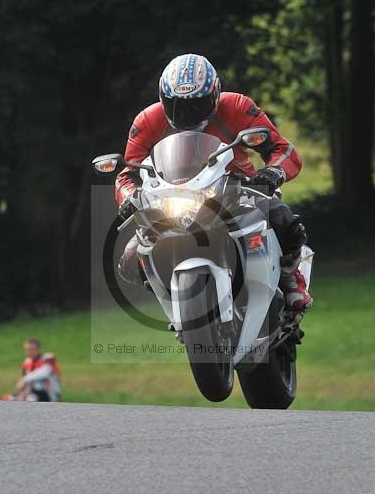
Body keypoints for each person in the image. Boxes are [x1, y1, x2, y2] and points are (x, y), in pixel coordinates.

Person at [115, 53, 312, 311]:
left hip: (237, 189)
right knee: (130, 261)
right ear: (163, 100)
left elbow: (282, 149)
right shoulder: (147, 120)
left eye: (198, 104)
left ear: (216, 93)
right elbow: (127, 172)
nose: (187, 114)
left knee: (285, 222)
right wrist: (130, 196)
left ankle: (289, 277)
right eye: (176, 105)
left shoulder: (238, 106)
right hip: (171, 197)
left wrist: (272, 173)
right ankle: (173, 295)